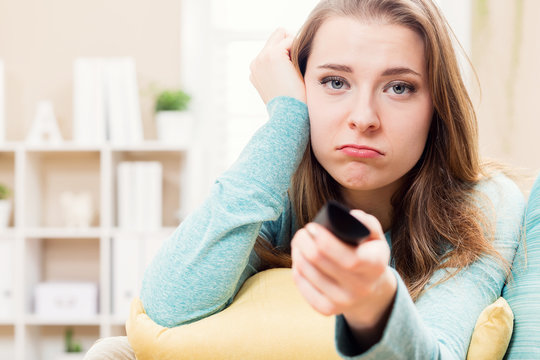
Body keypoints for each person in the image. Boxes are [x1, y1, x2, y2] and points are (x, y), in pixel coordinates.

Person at [84, 0, 525, 358]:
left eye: (399, 88)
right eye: (335, 82)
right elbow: (168, 309)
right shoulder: (277, 193)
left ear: (437, 106)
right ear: (301, 87)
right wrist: (287, 122)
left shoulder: (484, 204)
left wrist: (372, 303)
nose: (363, 118)